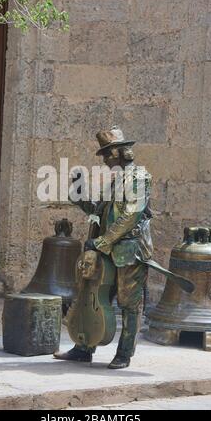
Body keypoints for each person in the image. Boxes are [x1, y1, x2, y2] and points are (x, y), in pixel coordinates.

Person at [54, 126, 154, 369]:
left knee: (129, 303)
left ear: (122, 152)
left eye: (108, 154)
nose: (106, 160)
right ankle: (84, 346)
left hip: (129, 250)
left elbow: (132, 214)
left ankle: (124, 353)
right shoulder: (114, 181)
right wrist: (78, 193)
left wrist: (104, 241)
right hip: (106, 249)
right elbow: (97, 211)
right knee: (94, 295)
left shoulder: (139, 177)